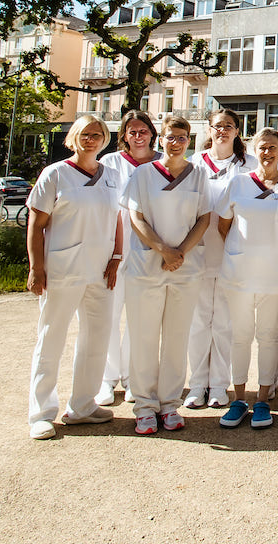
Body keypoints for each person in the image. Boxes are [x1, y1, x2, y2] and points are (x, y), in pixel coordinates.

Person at [25, 114, 124, 440]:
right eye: (85, 133)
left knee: (96, 339)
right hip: (62, 271)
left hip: (100, 273)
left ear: (104, 139)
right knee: (51, 339)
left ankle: (82, 406)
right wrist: (36, 269)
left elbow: (117, 219)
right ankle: (41, 414)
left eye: (97, 134)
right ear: (73, 137)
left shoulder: (110, 176)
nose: (91, 138)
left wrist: (116, 257)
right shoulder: (55, 174)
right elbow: (36, 225)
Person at [122, 116, 212, 436]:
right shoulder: (143, 174)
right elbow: (136, 216)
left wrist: (180, 253)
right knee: (144, 338)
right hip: (147, 266)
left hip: (184, 269)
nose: (176, 142)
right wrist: (163, 250)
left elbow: (203, 218)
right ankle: (145, 407)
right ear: (161, 139)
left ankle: (170, 404)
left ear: (190, 141)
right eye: (170, 137)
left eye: (182, 137)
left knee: (176, 339)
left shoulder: (199, 175)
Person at [214, 129, 278, 430]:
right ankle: (239, 398)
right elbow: (223, 226)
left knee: (269, 336)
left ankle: (263, 398)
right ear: (254, 150)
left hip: (275, 275)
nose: (267, 153)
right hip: (239, 274)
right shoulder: (237, 183)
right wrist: (243, 252)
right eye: (262, 147)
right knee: (240, 335)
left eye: (273, 147)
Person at [184, 109, 257, 410]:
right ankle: (197, 384)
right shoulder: (193, 164)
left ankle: (219, 385)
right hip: (198, 253)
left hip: (232, 256)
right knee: (199, 322)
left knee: (225, 323)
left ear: (238, 131)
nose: (223, 132)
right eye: (217, 127)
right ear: (209, 130)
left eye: (229, 127)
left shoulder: (250, 165)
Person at [95, 110, 160, 407]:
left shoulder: (162, 163)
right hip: (112, 250)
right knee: (109, 315)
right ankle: (107, 379)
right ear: (123, 136)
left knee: (140, 319)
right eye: (132, 131)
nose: (138, 136)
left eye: (143, 130)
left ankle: (134, 378)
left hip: (148, 251)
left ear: (152, 133)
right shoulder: (109, 163)